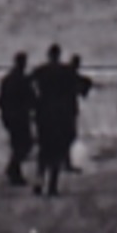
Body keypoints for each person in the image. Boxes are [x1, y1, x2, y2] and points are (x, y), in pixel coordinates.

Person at [29, 44, 79, 197]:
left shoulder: (41, 70)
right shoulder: (66, 71)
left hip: (44, 113)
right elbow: (80, 86)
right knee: (57, 150)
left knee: (44, 150)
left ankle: (38, 181)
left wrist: (35, 100)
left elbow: (28, 82)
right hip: (62, 115)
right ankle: (52, 185)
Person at [0, 52, 36, 186]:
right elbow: (31, 98)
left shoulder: (7, 79)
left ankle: (14, 170)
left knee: (18, 144)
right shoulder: (23, 80)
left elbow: (1, 100)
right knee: (25, 144)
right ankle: (13, 169)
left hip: (9, 115)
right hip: (20, 116)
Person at [64, 54, 94, 173]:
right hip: (68, 109)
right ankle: (66, 162)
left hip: (67, 109)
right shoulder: (71, 76)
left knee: (67, 136)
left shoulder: (68, 75)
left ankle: (65, 161)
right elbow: (83, 88)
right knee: (68, 136)